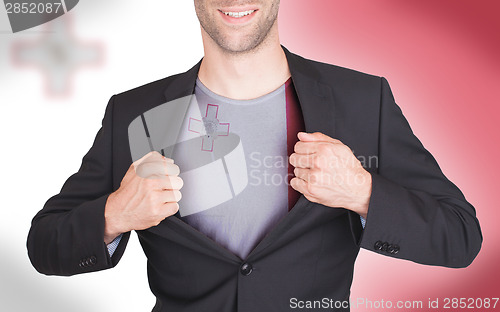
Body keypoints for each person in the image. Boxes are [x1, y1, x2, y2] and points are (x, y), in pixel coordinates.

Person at [27, 1, 482, 311]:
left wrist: (363, 192)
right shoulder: (135, 113)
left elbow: (460, 236)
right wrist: (114, 214)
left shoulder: (362, 100)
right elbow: (44, 245)